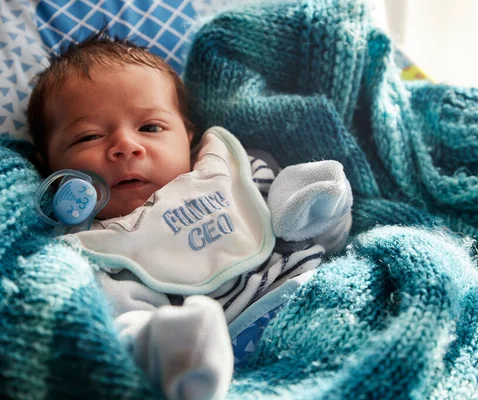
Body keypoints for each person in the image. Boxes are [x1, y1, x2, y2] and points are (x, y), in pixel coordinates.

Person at [27, 32, 353, 400]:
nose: (125, 147)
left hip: (322, 298)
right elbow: (113, 318)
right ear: (48, 165)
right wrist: (159, 345)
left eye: (150, 128)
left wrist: (322, 206)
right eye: (87, 137)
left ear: (187, 137)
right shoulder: (97, 250)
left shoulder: (228, 174)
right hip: (229, 358)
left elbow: (321, 237)